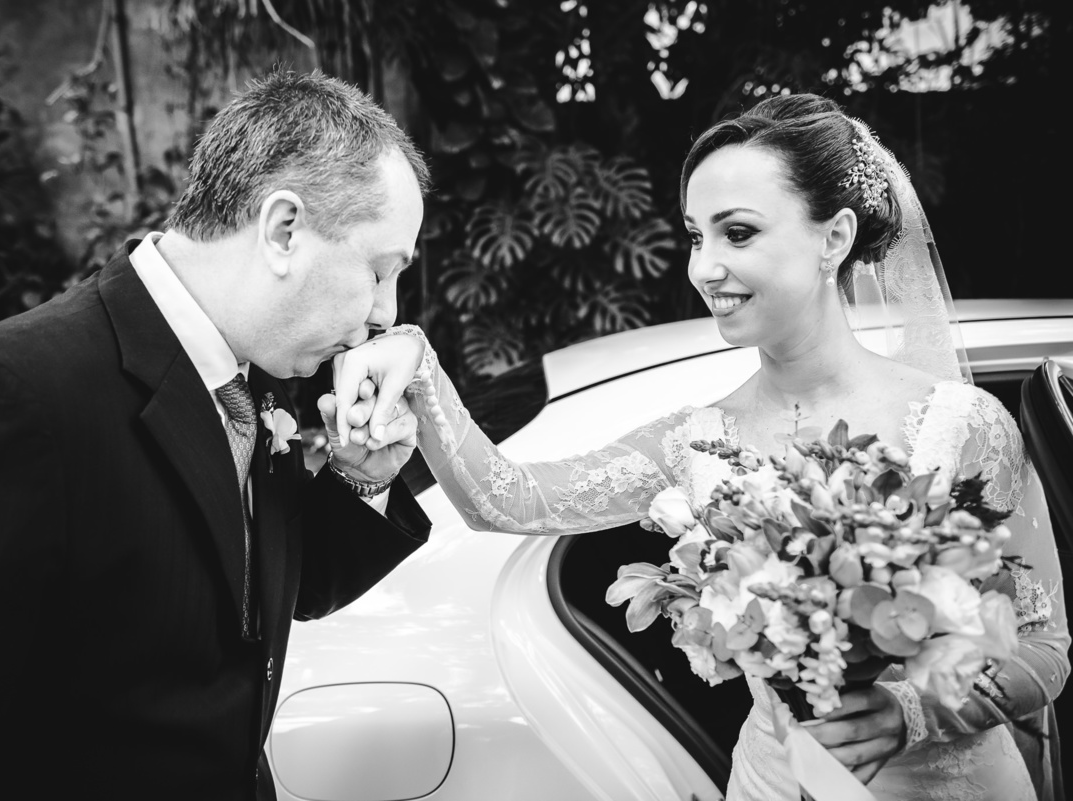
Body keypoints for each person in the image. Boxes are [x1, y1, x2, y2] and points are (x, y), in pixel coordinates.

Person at [333, 94, 1069, 800]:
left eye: (737, 233)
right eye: (695, 234)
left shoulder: (963, 426)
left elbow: (1043, 648)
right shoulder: (698, 442)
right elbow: (509, 497)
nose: (703, 267)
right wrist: (419, 364)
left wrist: (909, 709)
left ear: (834, 238)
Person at [0, 69, 431, 801]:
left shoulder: (260, 376)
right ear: (284, 229)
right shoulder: (7, 400)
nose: (389, 314)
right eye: (381, 271)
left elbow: (264, 601)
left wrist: (363, 476)